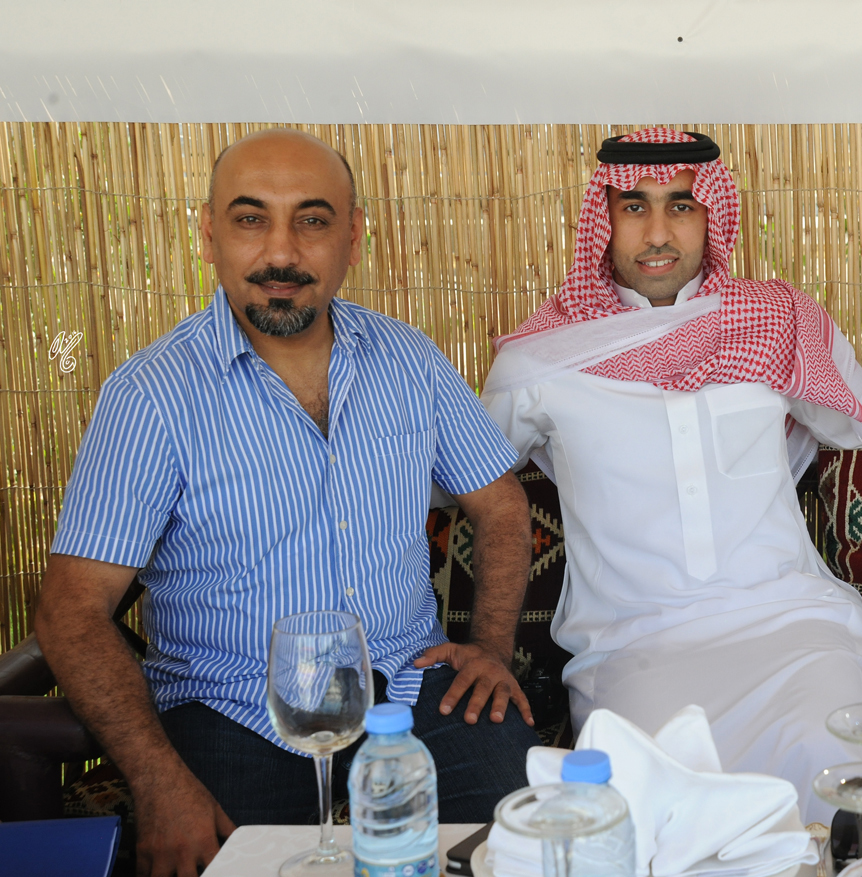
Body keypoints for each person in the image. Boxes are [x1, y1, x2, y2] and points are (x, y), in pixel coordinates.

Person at [34, 129, 541, 877]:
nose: (281, 252)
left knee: (523, 850)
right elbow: (69, 610)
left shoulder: (408, 359)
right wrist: (159, 781)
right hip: (232, 711)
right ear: (209, 235)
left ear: (353, 236)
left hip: (410, 689)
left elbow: (501, 507)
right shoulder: (151, 396)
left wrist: (490, 649)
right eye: (250, 219)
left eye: (312, 220)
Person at [479, 128, 862, 827]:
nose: (658, 232)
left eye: (681, 205)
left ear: (711, 215)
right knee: (651, 812)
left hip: (797, 631)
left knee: (834, 781)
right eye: (634, 206)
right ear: (603, 217)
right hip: (634, 648)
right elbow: (460, 474)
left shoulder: (774, 323)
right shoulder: (541, 360)